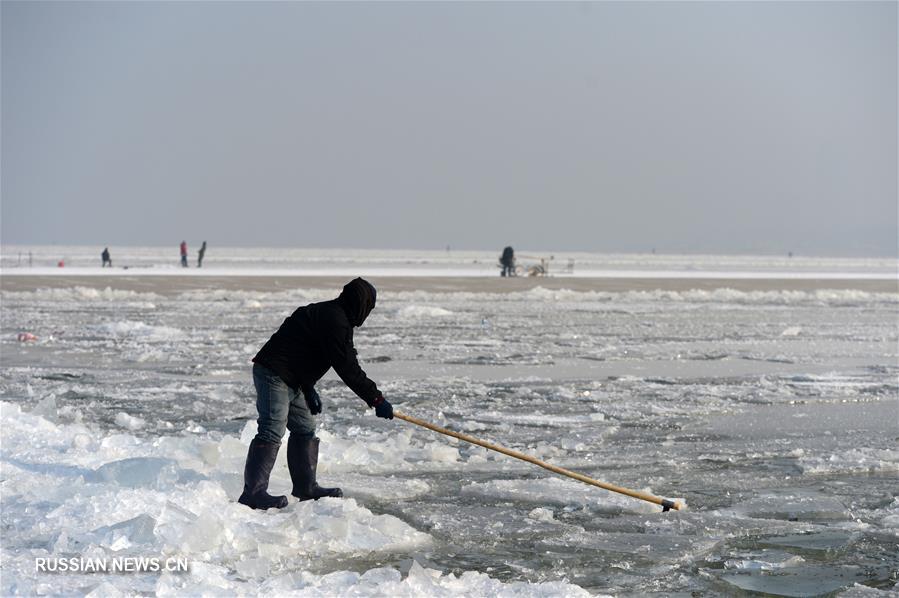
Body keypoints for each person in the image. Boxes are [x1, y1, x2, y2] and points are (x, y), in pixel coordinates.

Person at [238, 277, 394, 510]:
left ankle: (305, 487)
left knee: (304, 428)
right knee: (272, 428)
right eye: (369, 307)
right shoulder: (335, 320)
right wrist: (376, 399)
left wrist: (308, 387)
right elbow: (347, 366)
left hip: (293, 378)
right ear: (360, 303)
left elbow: (304, 349)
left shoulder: (336, 316)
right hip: (273, 373)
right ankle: (253, 493)